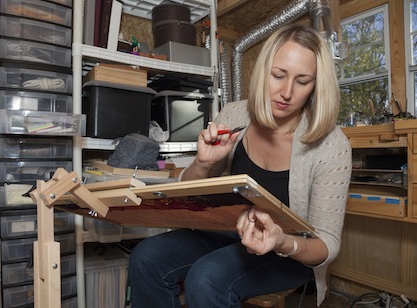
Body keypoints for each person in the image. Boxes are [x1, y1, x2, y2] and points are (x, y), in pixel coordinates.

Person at [128, 24, 352, 308]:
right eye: (278, 76)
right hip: (227, 232)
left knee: (207, 278)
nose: (286, 92)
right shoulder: (234, 114)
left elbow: (327, 245)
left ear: (316, 86)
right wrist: (203, 163)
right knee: (146, 257)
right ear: (262, 73)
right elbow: (189, 196)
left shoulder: (331, 145)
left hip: (290, 251)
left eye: (302, 81)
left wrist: (282, 241)